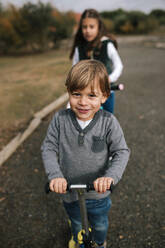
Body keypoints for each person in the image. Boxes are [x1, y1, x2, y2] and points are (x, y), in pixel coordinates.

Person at [41, 60, 130, 248]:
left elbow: (121, 151)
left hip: (98, 193)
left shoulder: (108, 122)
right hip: (69, 192)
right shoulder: (60, 120)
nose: (83, 102)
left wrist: (110, 177)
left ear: (104, 97)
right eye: (76, 94)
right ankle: (78, 237)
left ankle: (99, 241)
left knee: (99, 224)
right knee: (77, 223)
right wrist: (55, 176)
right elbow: (49, 147)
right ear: (68, 93)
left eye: (91, 95)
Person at [69, 8, 123, 114]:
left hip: (106, 93)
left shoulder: (107, 45)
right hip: (86, 96)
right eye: (84, 27)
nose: (88, 30)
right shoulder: (79, 48)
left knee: (107, 121)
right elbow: (74, 70)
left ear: (99, 27)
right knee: (86, 124)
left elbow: (119, 66)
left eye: (91, 27)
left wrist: (109, 79)